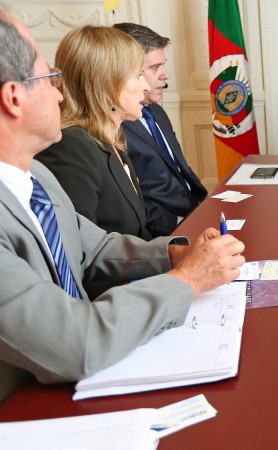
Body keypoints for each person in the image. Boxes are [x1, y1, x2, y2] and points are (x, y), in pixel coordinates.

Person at [0, 6, 245, 403]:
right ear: (14, 98)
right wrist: (187, 281)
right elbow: (75, 343)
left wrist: (177, 254)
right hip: (31, 403)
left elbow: (94, 247)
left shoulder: (35, 177)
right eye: (48, 80)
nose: (60, 94)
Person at [35, 26, 152, 240]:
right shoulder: (71, 146)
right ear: (105, 84)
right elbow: (82, 251)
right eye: (138, 75)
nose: (146, 86)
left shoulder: (110, 137)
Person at [115, 22, 208, 238]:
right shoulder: (115, 124)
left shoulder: (156, 111)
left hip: (196, 210)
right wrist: (181, 225)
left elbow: (179, 171)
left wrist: (205, 207)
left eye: (163, 65)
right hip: (164, 232)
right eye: (155, 68)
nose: (165, 75)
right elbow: (136, 203)